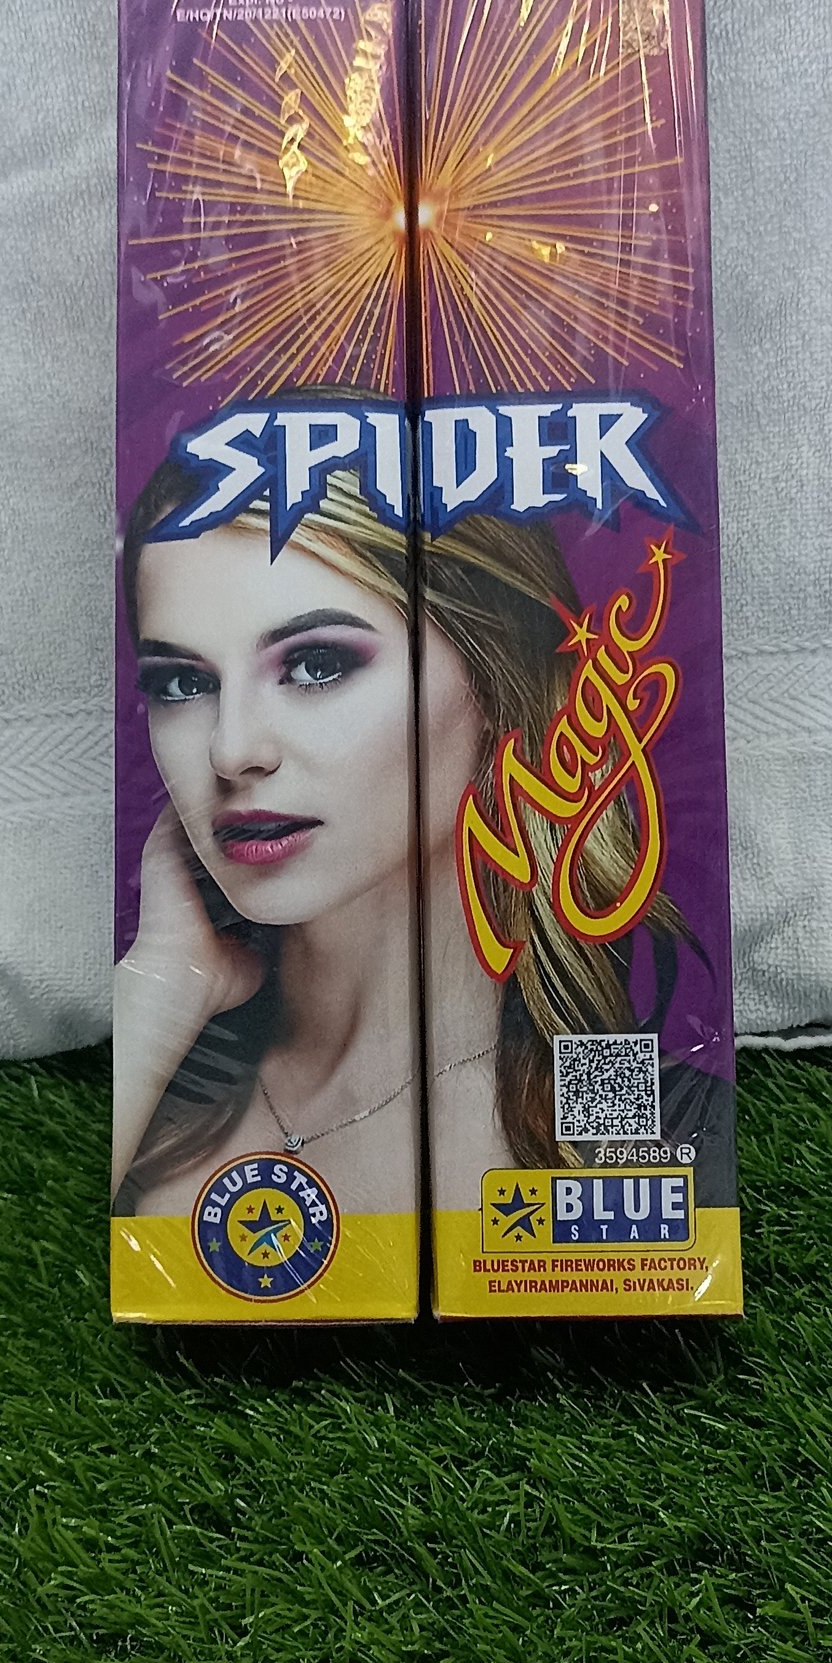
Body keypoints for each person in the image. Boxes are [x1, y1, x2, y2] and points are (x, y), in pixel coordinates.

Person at [111, 463, 720, 1217]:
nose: (230, 751)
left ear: (492, 678)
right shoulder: (158, 1082)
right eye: (182, 683)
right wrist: (162, 986)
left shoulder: (626, 1099)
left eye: (316, 664)